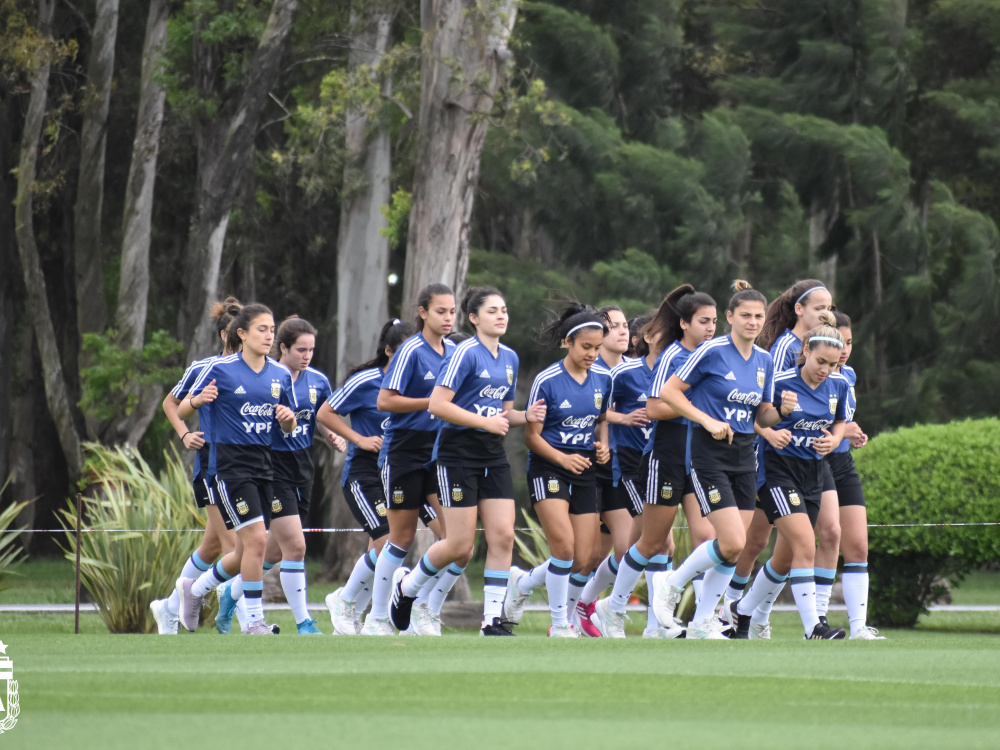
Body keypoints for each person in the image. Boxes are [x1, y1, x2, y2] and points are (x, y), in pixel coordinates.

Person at [389, 287, 546, 636]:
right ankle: (407, 589)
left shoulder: (509, 357)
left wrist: (526, 414)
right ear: (473, 318)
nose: (501, 316)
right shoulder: (464, 354)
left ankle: (490, 620)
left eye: (504, 310)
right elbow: (437, 405)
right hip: (457, 455)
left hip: (493, 455)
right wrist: (484, 422)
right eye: (492, 311)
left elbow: (504, 414)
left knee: (503, 536)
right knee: (460, 545)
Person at [651, 281, 783, 639]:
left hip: (744, 454)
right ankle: (672, 585)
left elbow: (764, 415)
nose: (753, 322)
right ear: (730, 317)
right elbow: (668, 392)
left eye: (759, 316)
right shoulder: (711, 351)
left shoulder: (765, 360)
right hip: (708, 455)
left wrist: (781, 411)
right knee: (732, 542)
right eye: (745, 315)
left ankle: (702, 622)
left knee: (732, 548)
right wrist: (705, 419)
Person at [593, 284, 717, 638]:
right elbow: (654, 408)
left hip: (699, 456)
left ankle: (703, 619)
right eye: (704, 321)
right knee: (651, 543)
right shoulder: (672, 358)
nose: (710, 328)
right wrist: (694, 405)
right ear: (684, 324)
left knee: (709, 540)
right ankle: (611, 607)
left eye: (714, 321)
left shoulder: (711, 357)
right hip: (664, 456)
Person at [215, 316, 343, 635]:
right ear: (282, 348)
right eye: (301, 349)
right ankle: (304, 622)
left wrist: (330, 434)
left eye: (311, 350)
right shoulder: (268, 375)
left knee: (274, 551)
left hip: (303, 465)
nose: (307, 355)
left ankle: (230, 594)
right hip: (274, 465)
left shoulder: (317, 381)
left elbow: (318, 416)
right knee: (296, 546)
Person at [174, 303, 297, 635]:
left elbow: (288, 423)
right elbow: (182, 406)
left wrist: (288, 421)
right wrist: (197, 401)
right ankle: (254, 621)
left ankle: (195, 589)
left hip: (264, 464)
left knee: (244, 548)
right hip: (228, 466)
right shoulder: (220, 368)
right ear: (241, 334)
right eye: (262, 329)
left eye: (272, 329)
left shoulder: (280, 374)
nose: (269, 335)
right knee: (258, 540)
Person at [319, 320, 446, 634]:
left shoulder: (427, 383)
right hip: (366, 475)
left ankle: (415, 603)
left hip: (415, 468)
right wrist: (359, 439)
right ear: (389, 351)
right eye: (403, 351)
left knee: (452, 538)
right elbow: (325, 413)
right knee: (388, 540)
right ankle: (347, 602)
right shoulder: (366, 381)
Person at [729, 313, 849, 640]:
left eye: (832, 363)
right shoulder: (780, 382)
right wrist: (770, 434)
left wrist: (835, 439)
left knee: (783, 561)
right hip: (777, 470)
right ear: (806, 349)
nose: (825, 369)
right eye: (820, 361)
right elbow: (749, 417)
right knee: (805, 543)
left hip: (813, 472)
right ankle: (814, 627)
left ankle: (741, 610)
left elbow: (839, 422)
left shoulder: (838, 384)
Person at [503, 303, 612, 637]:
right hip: (549, 467)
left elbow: (602, 418)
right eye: (586, 347)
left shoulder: (603, 379)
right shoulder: (547, 380)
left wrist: (603, 444)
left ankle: (522, 582)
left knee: (587, 557)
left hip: (586, 468)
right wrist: (562, 459)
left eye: (597, 348)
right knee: (564, 549)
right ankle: (561, 623)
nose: (593, 354)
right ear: (568, 342)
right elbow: (531, 437)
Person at [364, 284, 458, 635]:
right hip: (402, 451)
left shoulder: (454, 351)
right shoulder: (411, 351)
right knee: (400, 539)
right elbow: (385, 402)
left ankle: (418, 606)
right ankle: (377, 620)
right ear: (423, 313)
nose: (448, 318)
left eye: (451, 312)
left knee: (455, 542)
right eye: (440, 311)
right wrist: (431, 402)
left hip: (438, 452)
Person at [150, 298, 240, 634]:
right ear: (225, 336)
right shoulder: (205, 368)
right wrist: (185, 434)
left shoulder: (258, 371)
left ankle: (169, 607)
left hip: (243, 469)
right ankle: (248, 623)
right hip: (212, 468)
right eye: (238, 338)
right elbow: (171, 403)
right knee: (236, 547)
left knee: (213, 547)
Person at [574, 306, 640, 635]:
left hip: (620, 470)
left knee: (628, 547)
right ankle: (529, 586)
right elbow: (599, 412)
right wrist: (622, 418)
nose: (623, 331)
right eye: (614, 326)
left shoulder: (632, 369)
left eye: (626, 325)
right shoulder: (588, 366)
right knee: (584, 557)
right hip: (585, 467)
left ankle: (588, 606)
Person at [828, 310, 884, 639]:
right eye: (838, 341)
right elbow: (801, 423)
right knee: (786, 551)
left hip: (842, 464)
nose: (845, 348)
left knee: (857, 547)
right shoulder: (804, 376)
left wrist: (853, 434)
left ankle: (858, 627)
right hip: (809, 464)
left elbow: (842, 423)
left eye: (849, 342)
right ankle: (750, 611)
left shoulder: (848, 376)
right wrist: (841, 431)